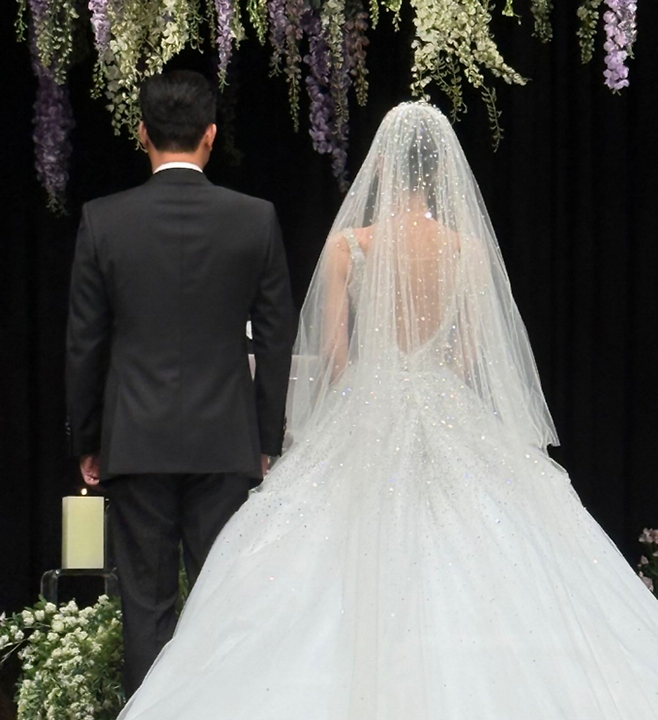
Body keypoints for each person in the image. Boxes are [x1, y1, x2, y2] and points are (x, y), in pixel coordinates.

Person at [117, 101, 658, 719]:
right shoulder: (468, 251)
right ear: (440, 173)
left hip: (367, 408)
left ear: (383, 169)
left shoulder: (350, 247)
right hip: (446, 406)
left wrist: (356, 401)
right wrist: (429, 382)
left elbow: (334, 357)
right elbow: (470, 355)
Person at [65, 70, 296, 698]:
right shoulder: (254, 219)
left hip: (136, 440)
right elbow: (276, 340)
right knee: (225, 604)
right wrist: (265, 439)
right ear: (210, 135)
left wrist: (89, 440)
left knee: (145, 607)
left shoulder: (103, 221)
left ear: (142, 133)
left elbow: (85, 344)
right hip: (225, 442)